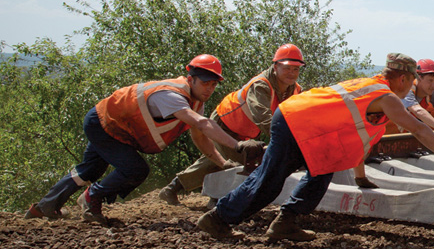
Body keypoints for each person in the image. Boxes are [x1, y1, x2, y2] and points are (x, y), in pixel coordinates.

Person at [196, 54, 434, 243]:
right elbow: (419, 128)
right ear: (403, 78)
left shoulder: (370, 83)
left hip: (308, 128)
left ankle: (286, 222)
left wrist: (360, 177)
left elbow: (359, 138)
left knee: (323, 170)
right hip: (294, 122)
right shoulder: (386, 96)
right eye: (412, 81)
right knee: (270, 180)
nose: (411, 88)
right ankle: (218, 219)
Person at [25, 55, 260, 224]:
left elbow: (199, 136)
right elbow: (201, 124)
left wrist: (222, 163)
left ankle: (45, 206)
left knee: (89, 169)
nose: (209, 89)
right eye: (205, 83)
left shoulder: (194, 98)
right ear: (191, 78)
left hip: (110, 123)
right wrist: (238, 146)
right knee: (135, 170)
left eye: (213, 84)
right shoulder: (173, 96)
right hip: (105, 123)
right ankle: (91, 197)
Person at [159, 44, 305, 205]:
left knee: (216, 159)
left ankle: (176, 189)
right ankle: (216, 199)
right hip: (225, 123)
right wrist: (289, 142)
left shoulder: (296, 90)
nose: (291, 73)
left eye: (296, 69)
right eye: (287, 68)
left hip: (246, 130)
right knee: (242, 160)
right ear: (276, 66)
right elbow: (263, 118)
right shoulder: (261, 85)